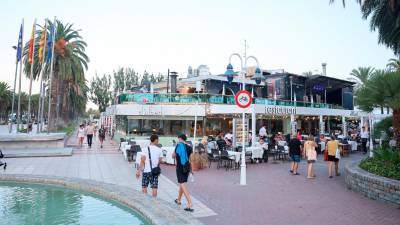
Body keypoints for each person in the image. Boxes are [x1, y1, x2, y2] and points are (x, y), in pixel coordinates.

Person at [172, 134, 194, 212]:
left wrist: (175, 151)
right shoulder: (190, 147)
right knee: (183, 183)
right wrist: (192, 170)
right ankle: (178, 200)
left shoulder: (178, 145)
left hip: (180, 167)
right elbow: (191, 160)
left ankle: (189, 203)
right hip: (187, 167)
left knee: (182, 184)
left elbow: (173, 156)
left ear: (180, 138)